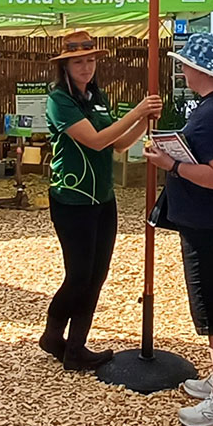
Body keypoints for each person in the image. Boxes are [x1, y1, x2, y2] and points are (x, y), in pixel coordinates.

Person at [147, 32, 213, 426]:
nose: (181, 70)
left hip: (210, 223)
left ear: (198, 69)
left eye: (184, 63)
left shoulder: (212, 112)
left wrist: (171, 164)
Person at [38, 31, 162, 370]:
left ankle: (76, 346)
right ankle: (52, 336)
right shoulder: (58, 99)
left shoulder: (97, 95)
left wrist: (144, 122)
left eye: (91, 60)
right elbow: (94, 141)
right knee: (78, 276)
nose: (86, 67)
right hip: (72, 199)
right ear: (65, 65)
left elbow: (118, 144)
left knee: (97, 274)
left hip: (103, 197)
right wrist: (137, 111)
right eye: (79, 61)